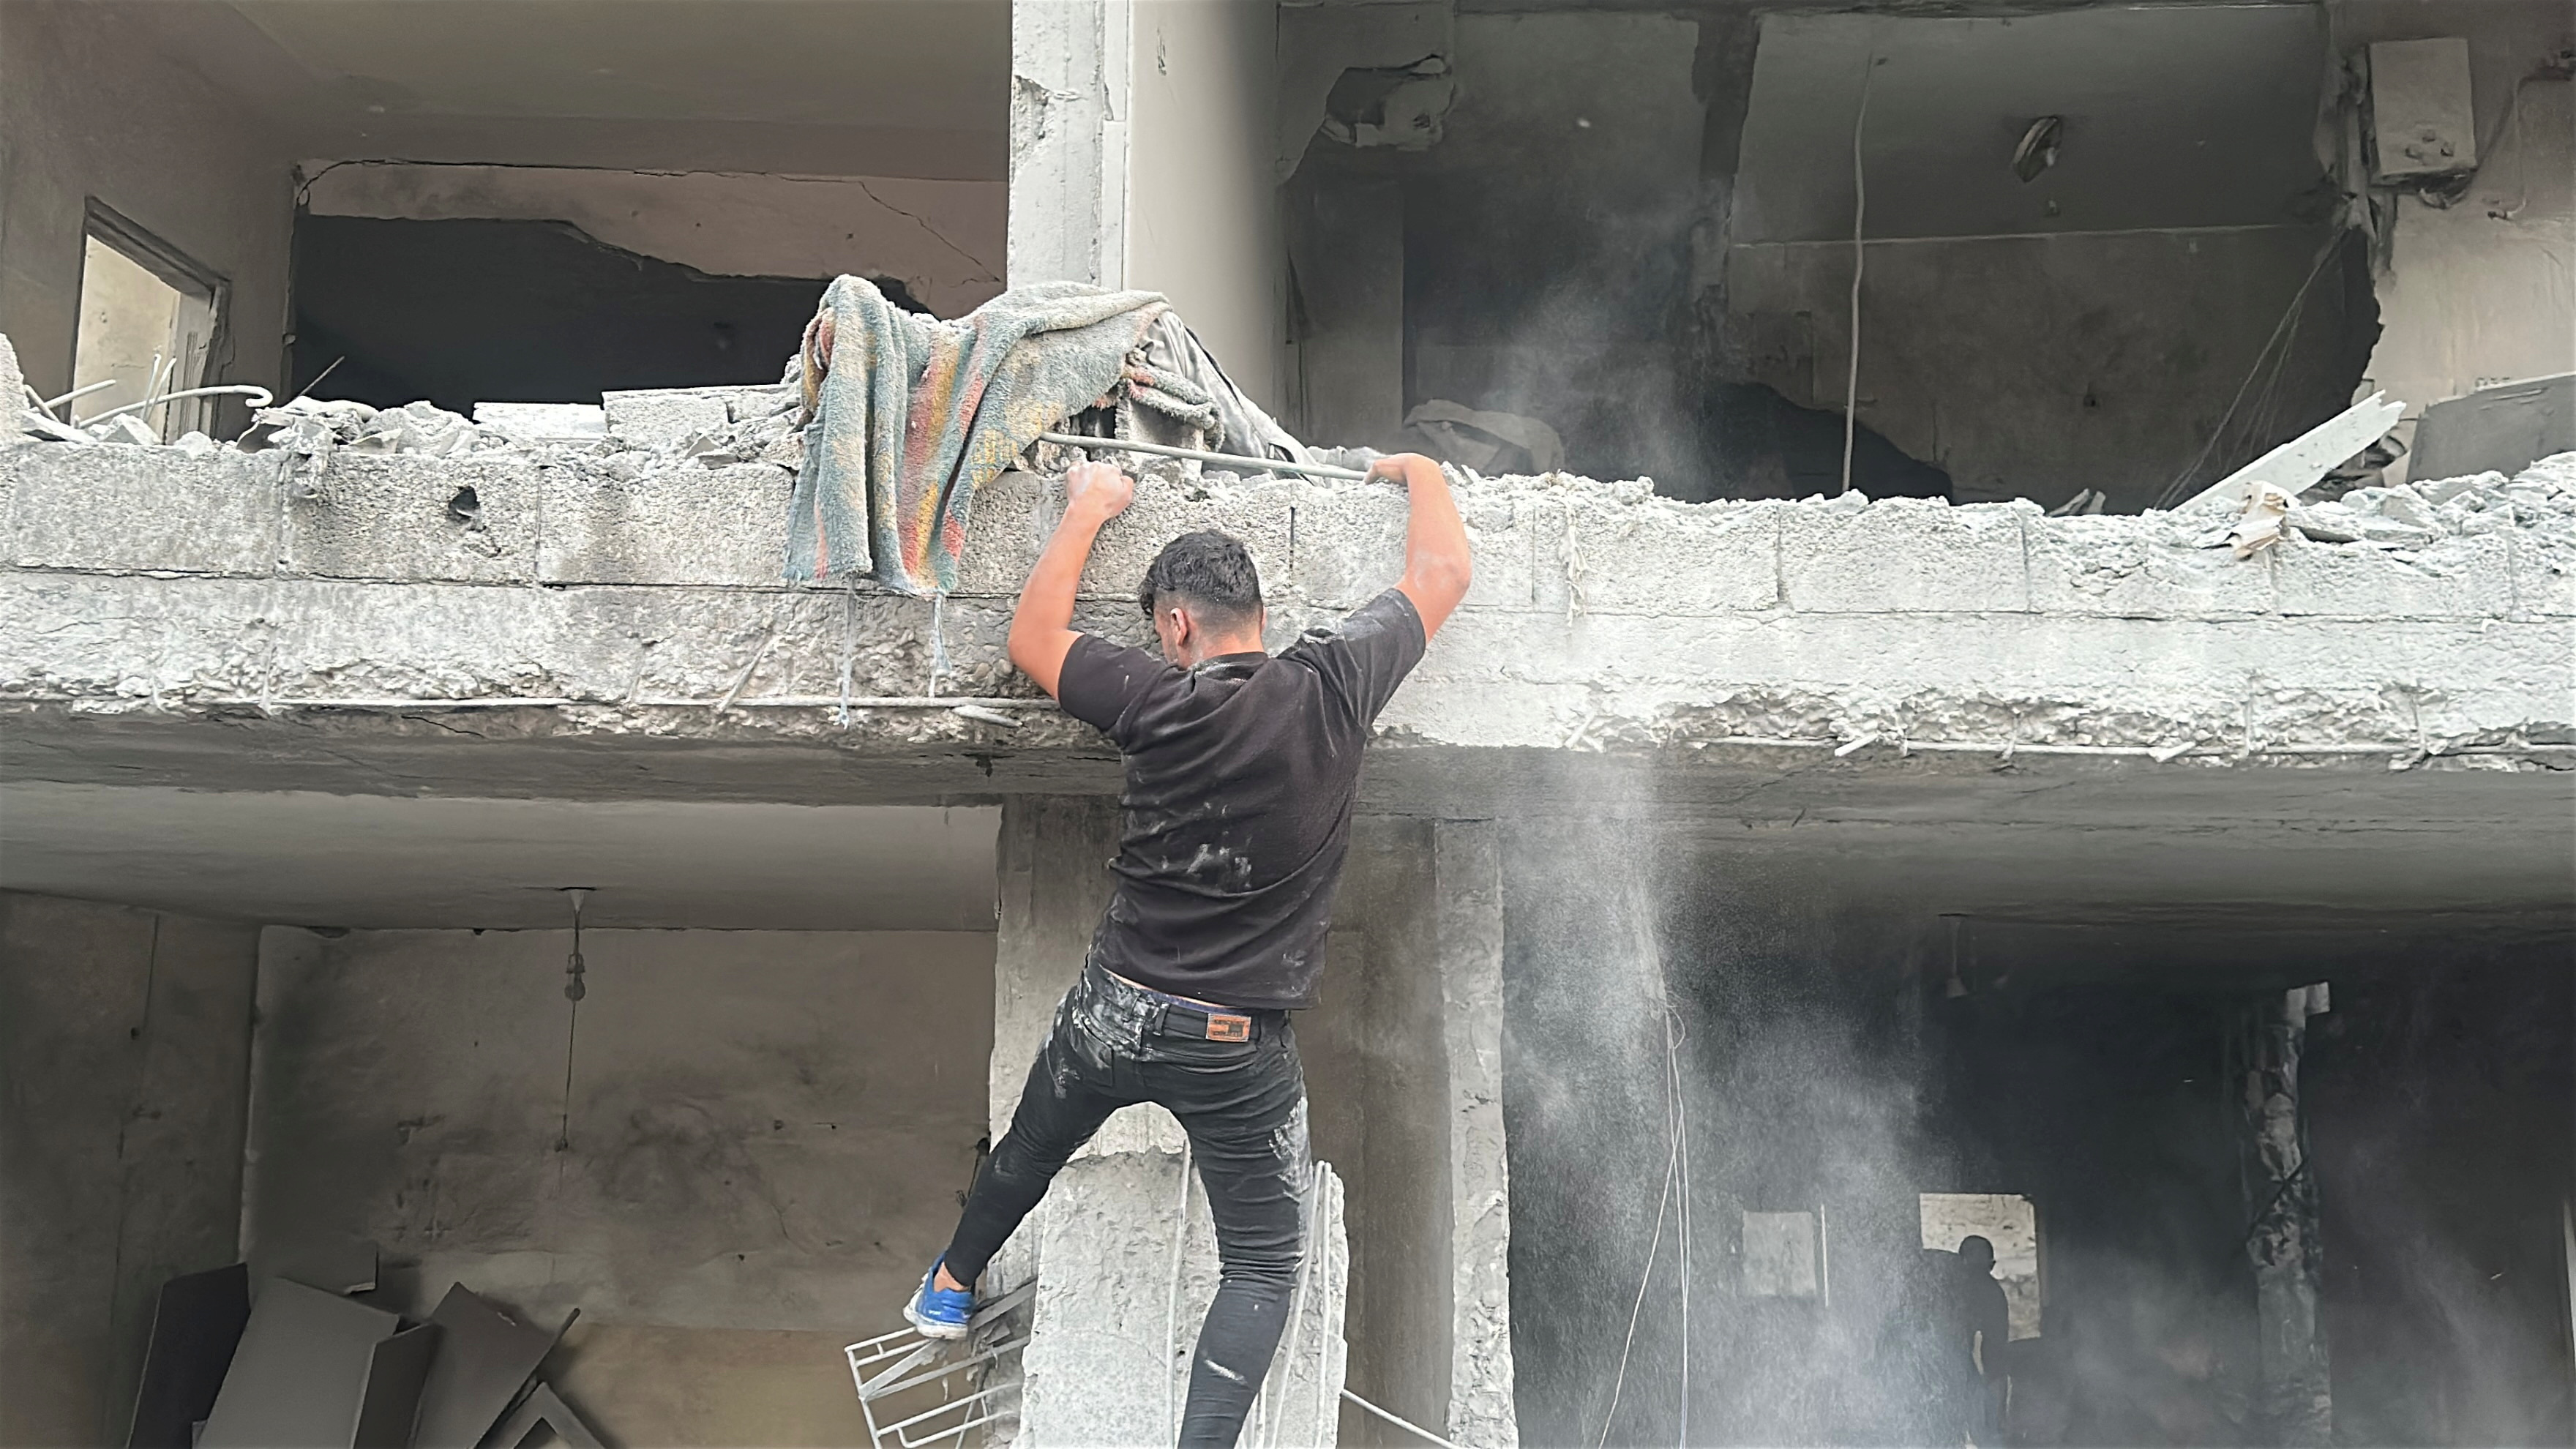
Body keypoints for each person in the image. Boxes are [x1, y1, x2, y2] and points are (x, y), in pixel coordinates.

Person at [902, 452, 1472, 1448]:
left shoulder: (1155, 700)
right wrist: (1419, 468)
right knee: (1259, 1264)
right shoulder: (1335, 684)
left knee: (1033, 1146)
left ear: (1174, 625)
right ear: (1256, 610)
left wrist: (1092, 504)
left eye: (1160, 634)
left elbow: (1033, 637)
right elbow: (1444, 575)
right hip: (1236, 1042)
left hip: (1117, 1009)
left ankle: (948, 1287)